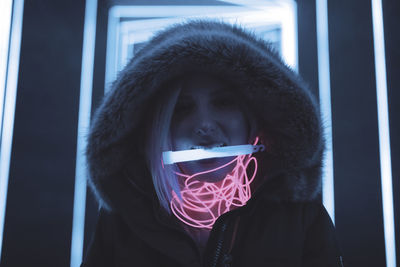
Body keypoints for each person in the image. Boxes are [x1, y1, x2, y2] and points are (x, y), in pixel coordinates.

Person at [81, 20, 343, 267]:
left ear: (252, 119)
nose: (205, 124)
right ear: (157, 129)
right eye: (182, 108)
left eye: (224, 102)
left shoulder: (301, 220)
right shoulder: (121, 225)